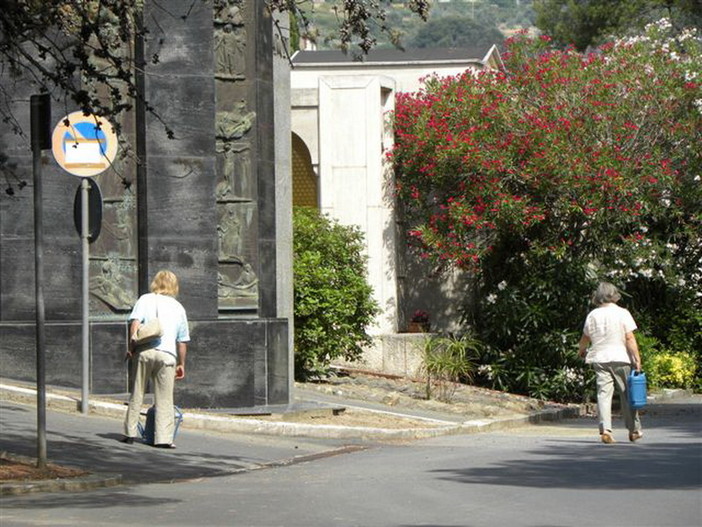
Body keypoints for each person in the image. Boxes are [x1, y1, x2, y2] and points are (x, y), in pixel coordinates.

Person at [121, 270, 190, 448]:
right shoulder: (179, 308)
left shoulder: (145, 299)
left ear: (155, 283)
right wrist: (181, 364)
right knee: (165, 399)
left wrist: (131, 348)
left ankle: (130, 433)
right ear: (174, 286)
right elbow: (182, 341)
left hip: (145, 351)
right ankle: (164, 439)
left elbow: (135, 325)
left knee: (137, 392)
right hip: (167, 355)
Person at [578, 282, 643, 444]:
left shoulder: (593, 315)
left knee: (603, 394)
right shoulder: (623, 313)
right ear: (614, 295)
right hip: (621, 357)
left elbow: (585, 337)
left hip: (600, 358)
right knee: (627, 395)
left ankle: (605, 429)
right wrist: (636, 358)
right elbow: (629, 337)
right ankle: (634, 429)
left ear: (598, 296)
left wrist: (581, 350)